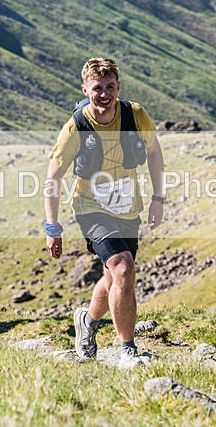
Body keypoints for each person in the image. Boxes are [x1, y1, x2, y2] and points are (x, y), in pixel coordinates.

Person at [44, 58, 166, 369]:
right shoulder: (75, 128)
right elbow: (53, 179)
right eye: (97, 88)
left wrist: (158, 198)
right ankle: (128, 349)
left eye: (110, 87)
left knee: (113, 276)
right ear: (85, 89)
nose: (104, 94)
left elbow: (154, 153)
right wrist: (52, 227)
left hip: (127, 208)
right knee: (123, 268)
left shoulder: (134, 115)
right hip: (91, 208)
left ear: (118, 87)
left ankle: (88, 321)